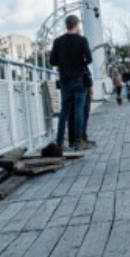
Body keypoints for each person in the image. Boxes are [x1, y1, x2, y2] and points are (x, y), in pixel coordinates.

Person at [46, 14, 92, 154]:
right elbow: (89, 59)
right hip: (79, 79)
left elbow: (52, 61)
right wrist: (79, 64)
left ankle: (59, 142)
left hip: (65, 80)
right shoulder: (82, 40)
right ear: (76, 25)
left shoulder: (58, 41)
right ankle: (78, 140)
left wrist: (65, 64)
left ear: (66, 25)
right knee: (79, 109)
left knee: (64, 112)